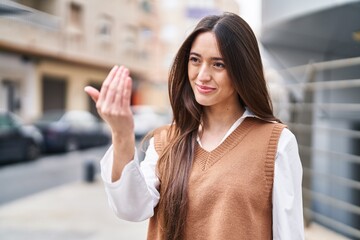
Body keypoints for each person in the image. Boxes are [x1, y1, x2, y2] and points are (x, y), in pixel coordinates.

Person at [85, 12, 304, 240]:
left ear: (242, 70)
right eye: (195, 60)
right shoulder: (165, 140)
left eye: (218, 64)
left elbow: (289, 234)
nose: (202, 75)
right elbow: (130, 208)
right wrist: (121, 134)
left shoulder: (276, 143)